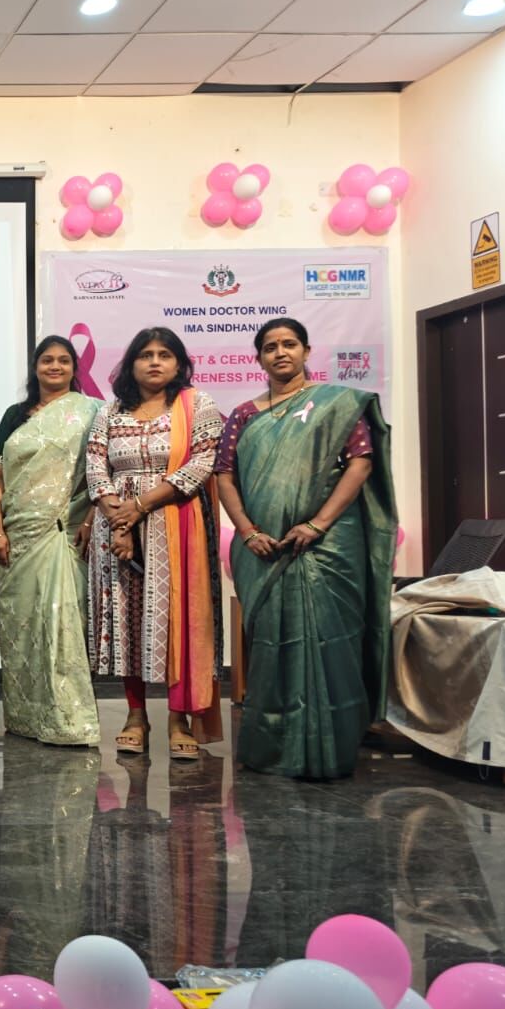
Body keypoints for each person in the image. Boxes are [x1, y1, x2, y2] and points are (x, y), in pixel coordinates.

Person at [216, 317, 395, 779]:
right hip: (264, 549)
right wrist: (248, 531)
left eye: (289, 344)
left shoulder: (336, 405)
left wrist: (317, 523)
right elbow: (224, 476)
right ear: (259, 358)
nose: (281, 352)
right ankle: (272, 747)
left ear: (306, 351)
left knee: (332, 641)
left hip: (329, 545)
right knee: (272, 645)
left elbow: (360, 463)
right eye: (270, 347)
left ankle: (332, 748)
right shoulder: (244, 415)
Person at [86, 327, 223, 760]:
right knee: (128, 622)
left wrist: (140, 507)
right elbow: (95, 467)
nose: (155, 362)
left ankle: (178, 720)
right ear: (131, 364)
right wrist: (119, 520)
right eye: (145, 354)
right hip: (116, 529)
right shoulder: (110, 412)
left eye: (165, 354)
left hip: (175, 522)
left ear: (179, 363)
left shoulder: (198, 405)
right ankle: (135, 715)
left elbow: (202, 463)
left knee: (177, 620)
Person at [0, 337, 102, 745]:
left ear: (74, 367)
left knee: (62, 620)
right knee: (21, 626)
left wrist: (91, 517)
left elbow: (100, 473)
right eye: (47, 360)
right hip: (17, 534)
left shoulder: (91, 412)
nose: (55, 367)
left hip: (63, 532)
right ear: (35, 367)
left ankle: (68, 719)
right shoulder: (14, 415)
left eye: (63, 361)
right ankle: (25, 717)